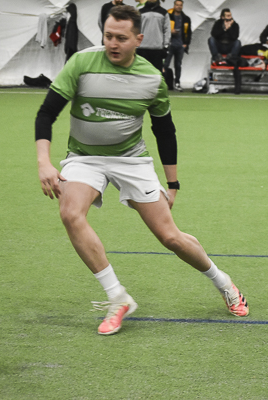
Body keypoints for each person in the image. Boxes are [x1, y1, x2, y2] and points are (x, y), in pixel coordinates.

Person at [34, 6, 249, 336]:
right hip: (85, 157)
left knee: (170, 237)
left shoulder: (151, 78)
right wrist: (44, 162)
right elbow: (46, 114)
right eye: (108, 36)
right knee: (70, 213)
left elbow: (165, 131)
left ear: (138, 39)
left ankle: (224, 283)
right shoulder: (81, 63)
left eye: (121, 38)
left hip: (131, 160)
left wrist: (173, 183)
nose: (113, 43)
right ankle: (117, 297)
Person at [164, 0, 191, 92]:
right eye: (177, 5)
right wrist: (170, 32)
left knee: (178, 65)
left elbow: (189, 32)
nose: (179, 7)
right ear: (174, 5)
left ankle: (177, 83)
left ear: (182, 6)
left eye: (180, 5)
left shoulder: (186, 18)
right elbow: (164, 28)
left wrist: (186, 43)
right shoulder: (168, 16)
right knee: (165, 64)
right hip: (170, 44)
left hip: (180, 45)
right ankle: (163, 83)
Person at [137, 0, 170, 72]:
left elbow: (167, 30)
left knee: (156, 74)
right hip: (142, 49)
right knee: (142, 73)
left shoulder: (164, 12)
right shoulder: (140, 12)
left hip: (157, 50)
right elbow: (136, 29)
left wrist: (165, 46)